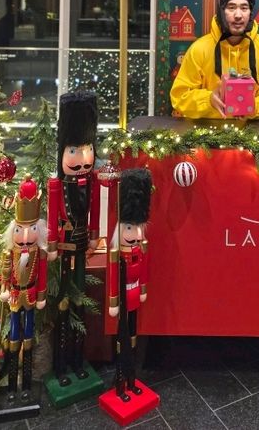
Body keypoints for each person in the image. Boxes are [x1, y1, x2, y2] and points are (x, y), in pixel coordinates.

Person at [170, 0, 259, 118]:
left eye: (244, 8)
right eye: (231, 8)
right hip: (207, 133)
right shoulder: (199, 49)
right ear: (221, 12)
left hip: (254, 132)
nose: (238, 15)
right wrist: (208, 100)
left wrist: (254, 107)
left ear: (250, 13)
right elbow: (179, 96)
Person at [47, 90, 100, 387]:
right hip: (64, 248)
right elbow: (54, 212)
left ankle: (79, 361)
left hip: (82, 246)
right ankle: (61, 365)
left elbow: (94, 211)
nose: (81, 159)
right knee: (64, 303)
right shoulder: (57, 184)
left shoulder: (90, 182)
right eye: (74, 151)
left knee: (80, 301)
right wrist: (53, 242)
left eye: (86, 150)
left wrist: (93, 235)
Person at [0, 177, 47, 403]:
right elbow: (5, 276)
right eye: (20, 230)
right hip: (15, 296)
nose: (26, 237)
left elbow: (43, 277)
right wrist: (4, 288)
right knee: (14, 336)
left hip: (31, 296)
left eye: (31, 230)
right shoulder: (10, 255)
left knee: (29, 337)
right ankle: (11, 387)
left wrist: (40, 296)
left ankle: (26, 385)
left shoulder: (40, 254)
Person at [107, 168, 152, 402]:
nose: (133, 233)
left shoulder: (140, 250)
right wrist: (113, 301)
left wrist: (142, 289)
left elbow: (143, 272)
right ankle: (119, 383)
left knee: (132, 337)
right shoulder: (117, 255)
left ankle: (132, 380)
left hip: (135, 295)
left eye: (136, 228)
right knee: (122, 337)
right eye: (128, 228)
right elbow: (114, 278)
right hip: (123, 298)